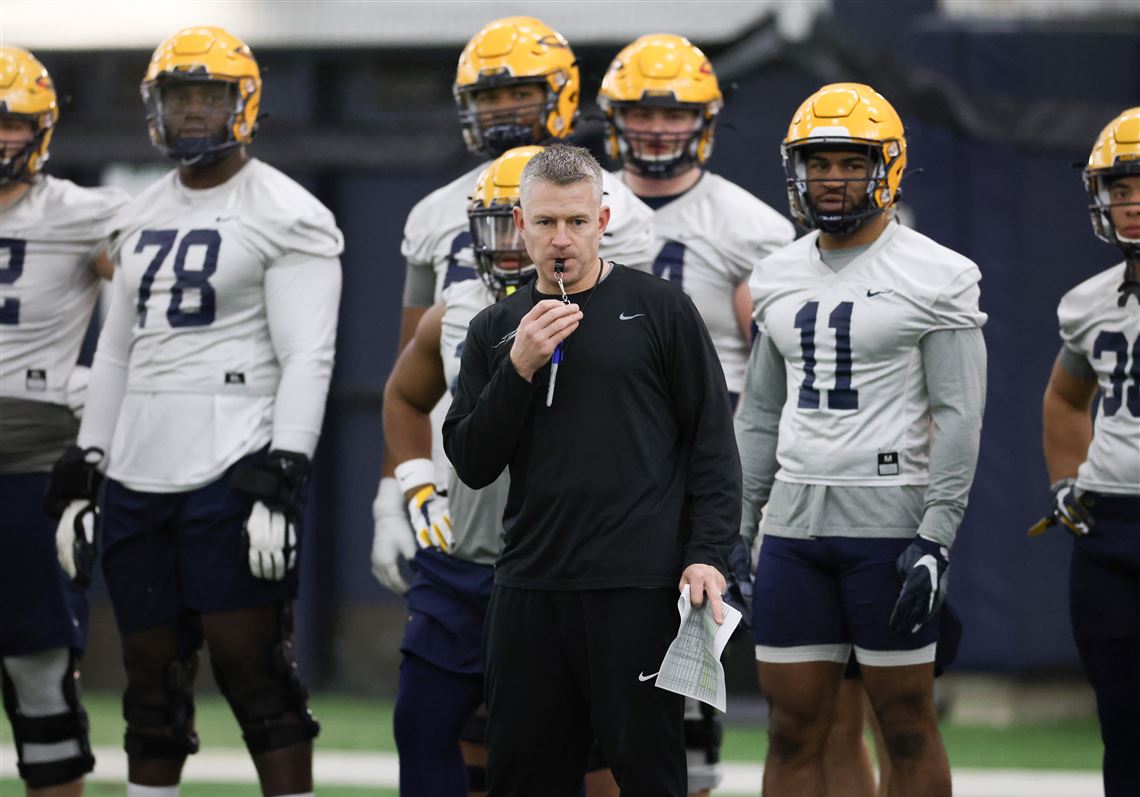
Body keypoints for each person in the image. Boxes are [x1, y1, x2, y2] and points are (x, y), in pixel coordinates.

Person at [42, 26, 343, 797]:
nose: (194, 112)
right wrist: (88, 460)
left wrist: (285, 469)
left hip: (235, 455)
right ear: (156, 107)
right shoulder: (138, 213)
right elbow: (117, 350)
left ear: (246, 105)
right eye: (180, 97)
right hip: (140, 461)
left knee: (252, 665)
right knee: (148, 671)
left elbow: (307, 354)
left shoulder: (288, 211)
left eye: (211, 96)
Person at [443, 143, 741, 797]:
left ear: (602, 221)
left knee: (651, 779)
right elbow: (471, 461)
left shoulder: (660, 309)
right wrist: (518, 367)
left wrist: (708, 555)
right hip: (530, 587)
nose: (561, 239)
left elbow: (714, 446)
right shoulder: (495, 327)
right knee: (521, 781)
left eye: (576, 221)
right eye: (546, 222)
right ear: (520, 225)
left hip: (637, 588)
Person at [736, 83, 987, 797]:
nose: (832, 178)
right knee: (791, 728)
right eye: (818, 163)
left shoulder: (938, 273)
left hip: (889, 523)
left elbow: (959, 413)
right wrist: (736, 527)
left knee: (905, 724)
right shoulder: (776, 273)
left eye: (851, 162)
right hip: (792, 527)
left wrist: (936, 537)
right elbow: (759, 414)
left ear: (888, 167)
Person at [371, 15, 655, 602]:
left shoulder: (616, 206)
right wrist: (395, 490)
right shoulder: (434, 212)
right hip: (463, 466)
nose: (502, 110)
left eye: (518, 92)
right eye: (489, 97)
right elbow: (412, 368)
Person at [598, 34, 795, 795]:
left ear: (704, 120)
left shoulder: (748, 226)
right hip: (599, 466)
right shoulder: (580, 206)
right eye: (642, 112)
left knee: (688, 674)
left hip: (699, 470)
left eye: (673, 113)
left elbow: (772, 369)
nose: (656, 128)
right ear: (614, 118)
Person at [382, 145, 536, 796]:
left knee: (557, 748)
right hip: (462, 556)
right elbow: (403, 397)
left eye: (528, 225)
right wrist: (416, 486)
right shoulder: (454, 309)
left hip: (559, 562)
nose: (513, 245)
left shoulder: (619, 309)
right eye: (500, 226)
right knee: (421, 725)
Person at [0, 45, 128, 796]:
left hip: (32, 466)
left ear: (42, 129)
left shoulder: (82, 214)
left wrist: (97, 387)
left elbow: (161, 303)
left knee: (41, 673)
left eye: (11, 123)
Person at [1035, 105, 1140, 797]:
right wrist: (1067, 483)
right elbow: (1066, 398)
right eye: (1119, 188)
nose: (1130, 203)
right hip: (1110, 530)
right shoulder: (1089, 302)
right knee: (1123, 725)